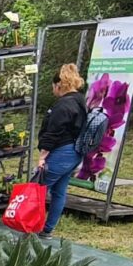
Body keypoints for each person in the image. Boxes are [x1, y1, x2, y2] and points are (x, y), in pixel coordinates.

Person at [36, 63, 88, 238]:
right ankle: (47, 229)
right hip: (74, 152)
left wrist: (43, 156)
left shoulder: (63, 105)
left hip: (60, 153)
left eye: (53, 87)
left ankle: (27, 227)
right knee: (59, 191)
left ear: (59, 85)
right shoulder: (80, 101)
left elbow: (54, 132)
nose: (53, 90)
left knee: (37, 190)